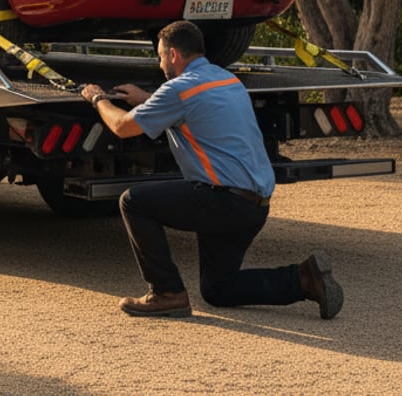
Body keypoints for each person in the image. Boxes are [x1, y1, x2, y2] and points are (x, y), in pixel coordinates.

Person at [81, 20, 344, 320]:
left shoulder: (178, 89)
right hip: (253, 206)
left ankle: (167, 293)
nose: (160, 63)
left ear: (173, 55)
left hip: (224, 202)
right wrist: (146, 99)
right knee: (218, 288)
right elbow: (194, 106)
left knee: (133, 202)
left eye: (160, 56)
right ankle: (305, 279)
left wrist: (97, 98)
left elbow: (122, 126)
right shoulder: (226, 79)